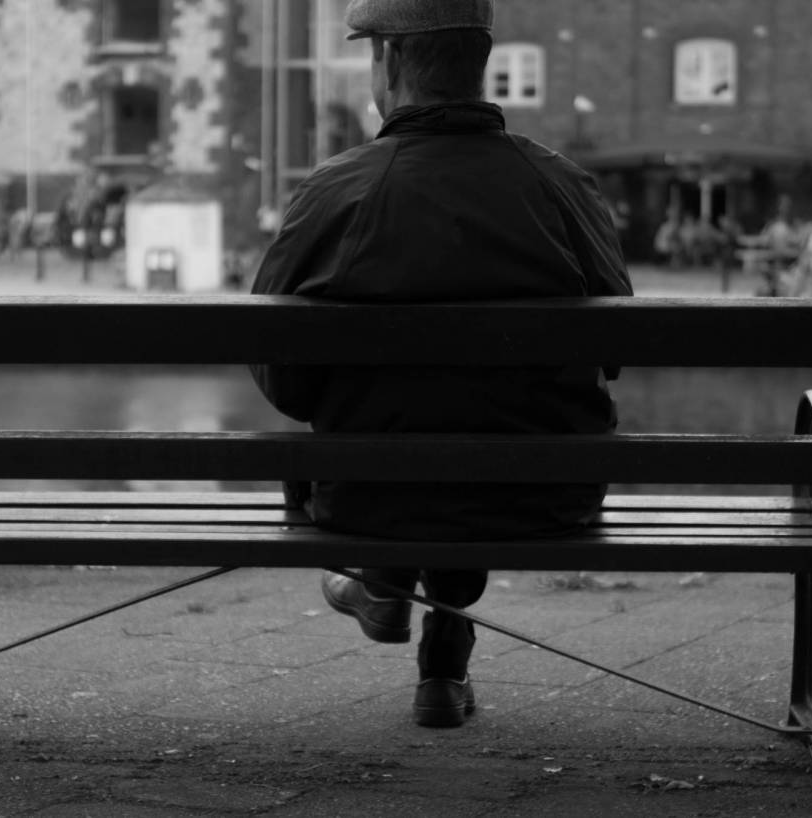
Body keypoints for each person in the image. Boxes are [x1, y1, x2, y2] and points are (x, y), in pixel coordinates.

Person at [249, 0, 633, 729]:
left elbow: (283, 381)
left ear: (390, 61)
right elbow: (613, 354)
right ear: (479, 59)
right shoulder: (563, 186)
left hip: (367, 501)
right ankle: (442, 656)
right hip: (545, 498)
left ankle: (386, 580)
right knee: (484, 426)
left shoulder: (336, 191)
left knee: (392, 435)